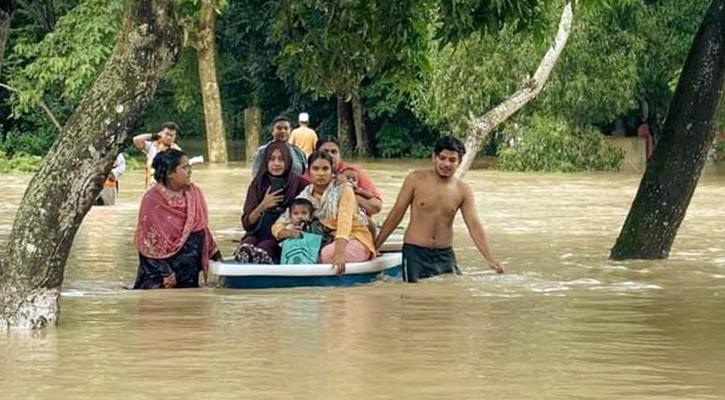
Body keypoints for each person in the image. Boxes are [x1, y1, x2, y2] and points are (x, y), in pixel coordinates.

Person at [374, 136, 504, 283]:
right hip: (415, 253)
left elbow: (474, 225)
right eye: (442, 158)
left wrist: (490, 258)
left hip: (445, 254)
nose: (446, 164)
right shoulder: (415, 180)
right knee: (413, 297)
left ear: (459, 162)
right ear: (433, 157)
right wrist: (376, 246)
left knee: (447, 300)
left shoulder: (463, 190)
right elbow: (396, 214)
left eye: (452, 160)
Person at [273, 151, 375, 274]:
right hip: (325, 240)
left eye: (325, 168)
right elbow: (280, 223)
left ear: (332, 171)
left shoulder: (344, 190)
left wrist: (339, 252)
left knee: (326, 254)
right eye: (316, 169)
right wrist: (287, 232)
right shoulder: (305, 196)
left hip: (354, 238)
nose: (320, 173)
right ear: (309, 172)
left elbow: (345, 222)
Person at [133, 149, 220, 289]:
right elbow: (148, 243)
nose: (190, 171)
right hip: (161, 278)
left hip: (188, 270)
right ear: (169, 173)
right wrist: (166, 273)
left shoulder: (193, 194)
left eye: (189, 167)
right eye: (184, 168)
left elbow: (201, 229)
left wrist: (217, 256)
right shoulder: (153, 199)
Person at [237, 142, 309, 263]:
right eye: (272, 159)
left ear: (288, 161)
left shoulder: (299, 184)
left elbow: (319, 194)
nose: (276, 164)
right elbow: (247, 223)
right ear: (266, 162)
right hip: (257, 233)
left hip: (283, 236)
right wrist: (263, 206)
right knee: (246, 246)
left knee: (264, 248)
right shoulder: (258, 184)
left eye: (281, 159)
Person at [312, 136, 382, 217]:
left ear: (339, 154)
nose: (330, 155)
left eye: (334, 152)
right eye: (325, 151)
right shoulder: (310, 174)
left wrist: (349, 195)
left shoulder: (352, 173)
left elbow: (376, 207)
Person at [279, 198, 331, 265]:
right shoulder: (287, 228)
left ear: (310, 216)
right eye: (295, 214)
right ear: (290, 216)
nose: (300, 216)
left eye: (304, 213)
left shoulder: (315, 226)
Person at [132, 122, 182, 188]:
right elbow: (136, 140)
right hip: (151, 186)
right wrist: (154, 136)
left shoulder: (177, 151)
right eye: (167, 134)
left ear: (175, 137)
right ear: (161, 133)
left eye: (171, 135)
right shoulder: (152, 146)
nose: (169, 137)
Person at [340, 166, 377, 238]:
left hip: (358, 213)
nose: (350, 181)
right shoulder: (339, 189)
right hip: (343, 213)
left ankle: (375, 243)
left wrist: (358, 191)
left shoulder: (358, 190)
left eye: (354, 180)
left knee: (372, 224)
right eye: (347, 178)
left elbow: (370, 196)